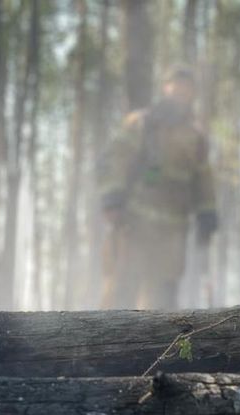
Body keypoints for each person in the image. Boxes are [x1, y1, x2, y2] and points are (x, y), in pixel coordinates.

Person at [98, 66, 217, 309]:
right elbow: (116, 158)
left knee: (164, 296)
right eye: (176, 84)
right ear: (166, 87)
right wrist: (112, 198)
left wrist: (208, 212)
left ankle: (159, 345)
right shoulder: (142, 122)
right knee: (122, 289)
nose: (181, 90)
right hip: (134, 224)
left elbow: (203, 178)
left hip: (173, 231)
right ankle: (108, 343)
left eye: (187, 86)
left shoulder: (196, 136)